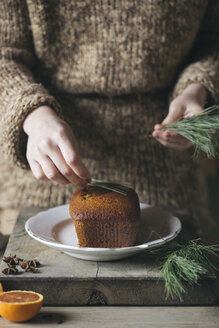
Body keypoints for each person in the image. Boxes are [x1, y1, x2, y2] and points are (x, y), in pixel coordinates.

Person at [0, 1, 218, 242]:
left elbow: (212, 40)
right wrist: (32, 114)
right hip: (36, 181)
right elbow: (4, 53)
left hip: (171, 183)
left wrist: (195, 90)